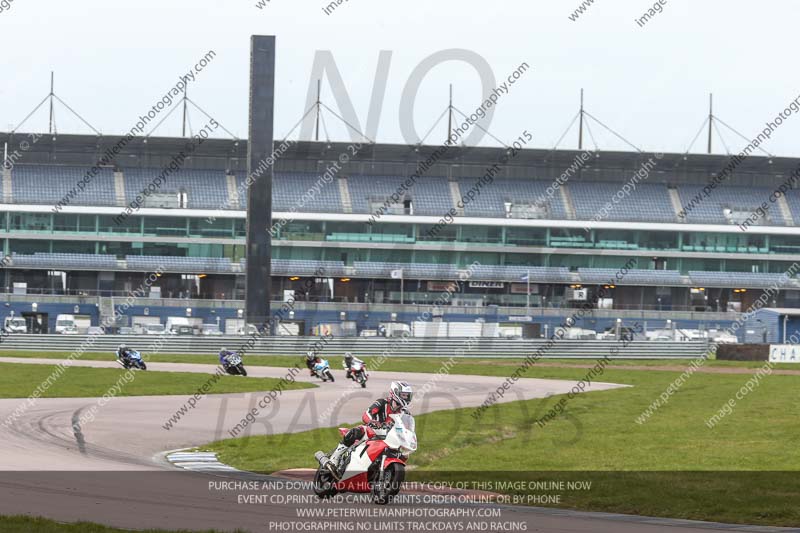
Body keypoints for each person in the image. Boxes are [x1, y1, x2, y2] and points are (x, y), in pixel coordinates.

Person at [326, 381, 413, 472]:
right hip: (374, 431)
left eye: (407, 395)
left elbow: (407, 427)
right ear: (394, 392)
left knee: (405, 453)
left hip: (391, 438)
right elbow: (367, 414)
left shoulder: (405, 413)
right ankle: (335, 458)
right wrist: (373, 421)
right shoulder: (382, 402)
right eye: (403, 395)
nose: (406, 398)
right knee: (357, 431)